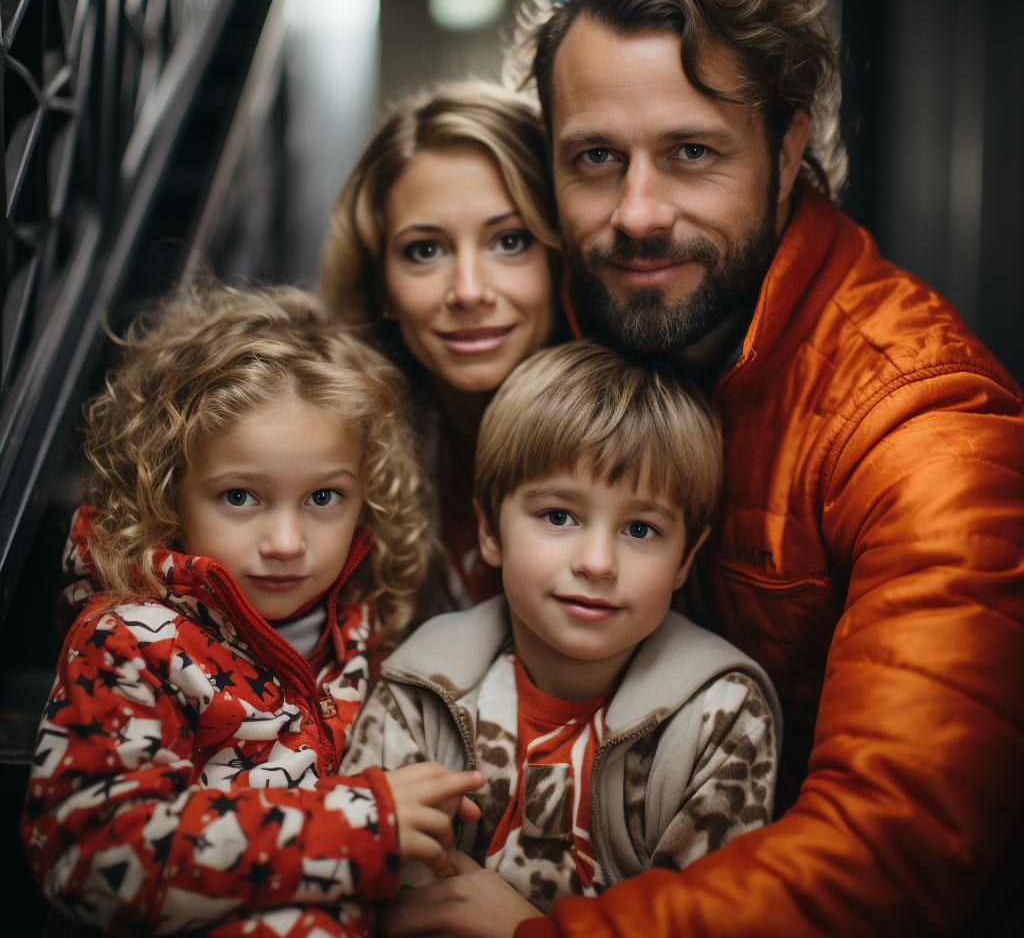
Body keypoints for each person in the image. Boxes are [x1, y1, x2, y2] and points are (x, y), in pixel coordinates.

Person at [380, 0, 1024, 938]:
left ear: (785, 155)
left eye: (691, 153)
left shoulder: (921, 424)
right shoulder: (569, 329)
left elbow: (902, 842)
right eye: (595, 159)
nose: (637, 214)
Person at [20, 281, 485, 938]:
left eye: (324, 497)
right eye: (240, 497)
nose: (287, 544)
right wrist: (364, 824)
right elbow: (91, 853)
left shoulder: (365, 628)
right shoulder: (128, 643)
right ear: (168, 488)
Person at [344, 340, 781, 918]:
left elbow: (709, 926)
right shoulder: (418, 688)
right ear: (490, 530)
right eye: (558, 516)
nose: (597, 562)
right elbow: (364, 895)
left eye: (642, 529)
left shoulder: (720, 717)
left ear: (685, 559)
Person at [321, 82, 565, 608]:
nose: (469, 292)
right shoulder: (335, 453)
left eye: (510, 241)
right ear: (380, 282)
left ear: (560, 254)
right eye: (425, 250)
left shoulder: (650, 426)